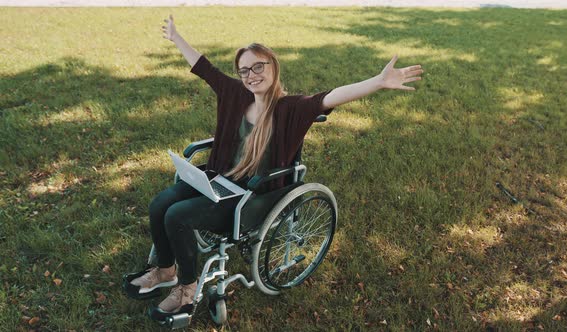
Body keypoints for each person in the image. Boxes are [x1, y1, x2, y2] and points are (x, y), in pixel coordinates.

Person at [125, 14, 422, 319]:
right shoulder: (235, 94)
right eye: (244, 70)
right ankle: (166, 270)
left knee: (177, 216)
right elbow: (204, 67)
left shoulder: (291, 108)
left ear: (272, 66)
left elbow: (332, 96)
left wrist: (378, 82)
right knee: (159, 203)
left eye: (258, 66)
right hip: (218, 179)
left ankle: (187, 290)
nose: (251, 75)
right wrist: (176, 38)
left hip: (252, 196)